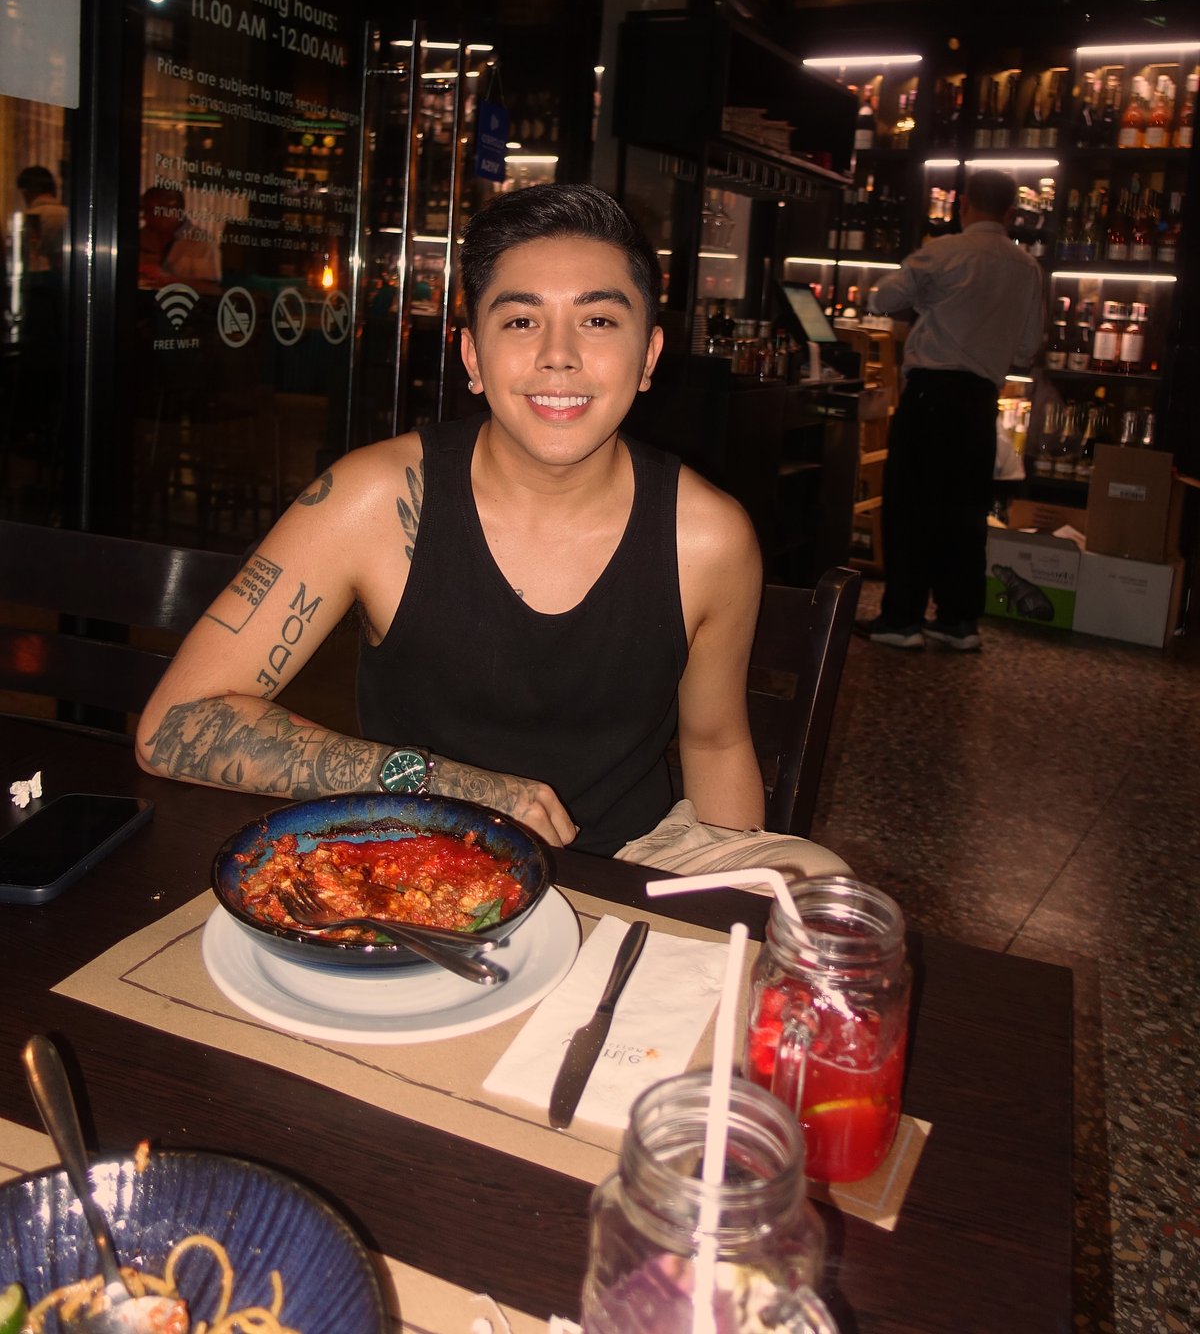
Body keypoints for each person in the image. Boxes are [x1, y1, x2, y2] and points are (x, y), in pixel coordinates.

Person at [136, 182, 844, 876]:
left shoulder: (708, 536)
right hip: (414, 847)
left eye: (598, 321)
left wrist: (733, 901)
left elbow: (716, 745)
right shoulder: (376, 498)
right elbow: (174, 724)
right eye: (521, 321)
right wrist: (448, 786)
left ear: (649, 356)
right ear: (472, 356)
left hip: (628, 864)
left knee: (812, 877)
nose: (558, 355)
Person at [857, 167, 1045, 653]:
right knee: (965, 511)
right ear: (1011, 213)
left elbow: (882, 298)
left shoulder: (943, 251)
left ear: (963, 204)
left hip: (931, 393)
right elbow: (1027, 349)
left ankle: (902, 619)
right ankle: (958, 620)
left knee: (911, 505)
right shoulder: (1027, 267)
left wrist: (925, 298)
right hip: (981, 400)